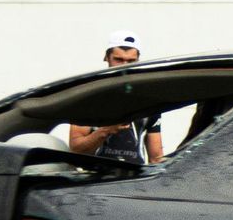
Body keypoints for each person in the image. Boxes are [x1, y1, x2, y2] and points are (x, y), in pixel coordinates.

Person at [67, 30, 164, 164]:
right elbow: (75, 150)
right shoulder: (89, 96)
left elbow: (156, 158)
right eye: (118, 60)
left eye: (131, 61)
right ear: (106, 57)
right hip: (97, 180)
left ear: (138, 61)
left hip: (135, 181)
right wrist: (106, 130)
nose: (124, 66)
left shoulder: (148, 99)